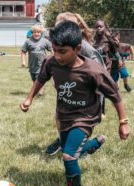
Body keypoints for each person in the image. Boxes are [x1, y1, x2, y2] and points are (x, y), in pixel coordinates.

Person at [20, 21, 131, 186]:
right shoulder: (52, 62)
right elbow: (41, 79)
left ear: (77, 48)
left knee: (68, 155)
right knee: (71, 149)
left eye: (62, 51)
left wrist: (123, 122)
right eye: (54, 50)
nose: (57, 55)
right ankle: (94, 144)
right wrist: (29, 98)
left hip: (85, 117)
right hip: (64, 116)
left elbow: (115, 95)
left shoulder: (93, 70)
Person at [44, 12, 105, 156]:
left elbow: (100, 73)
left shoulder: (84, 48)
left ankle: (82, 146)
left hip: (87, 96)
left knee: (79, 123)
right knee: (60, 117)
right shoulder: (62, 44)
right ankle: (64, 141)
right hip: (69, 92)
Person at [21, 24, 52, 96]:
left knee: (39, 78)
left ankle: (40, 92)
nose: (36, 34)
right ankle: (37, 90)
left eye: (38, 32)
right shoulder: (28, 42)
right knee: (34, 78)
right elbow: (23, 52)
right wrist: (23, 62)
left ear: (41, 33)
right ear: (32, 33)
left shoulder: (45, 41)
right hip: (32, 64)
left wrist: (54, 58)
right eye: (34, 32)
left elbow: (51, 49)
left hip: (42, 64)